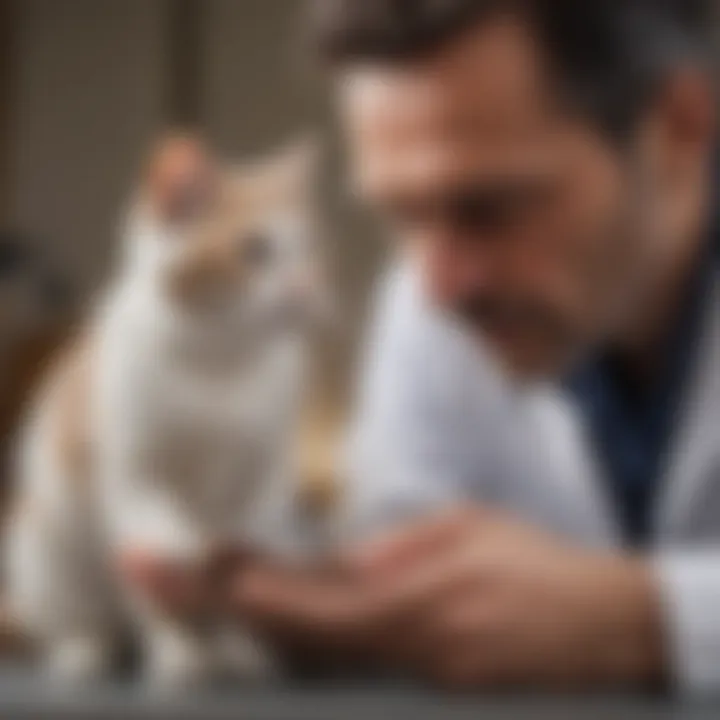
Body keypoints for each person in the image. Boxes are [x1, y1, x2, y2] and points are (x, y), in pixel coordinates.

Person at [125, 0, 720, 693]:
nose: (437, 288)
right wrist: (301, 601)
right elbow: (402, 553)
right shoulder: (429, 294)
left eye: (490, 208)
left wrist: (648, 620)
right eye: (402, 215)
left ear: (680, 127)